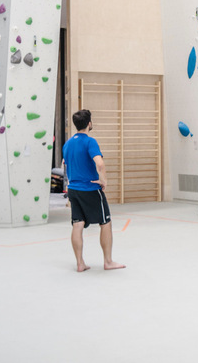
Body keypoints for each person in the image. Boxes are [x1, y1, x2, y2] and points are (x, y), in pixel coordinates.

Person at [62, 108, 125, 273]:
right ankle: (108, 261)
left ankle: (80, 263)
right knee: (105, 222)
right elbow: (100, 163)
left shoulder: (67, 144)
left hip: (73, 190)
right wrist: (103, 180)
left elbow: (65, 163)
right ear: (89, 123)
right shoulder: (90, 142)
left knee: (77, 224)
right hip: (90, 189)